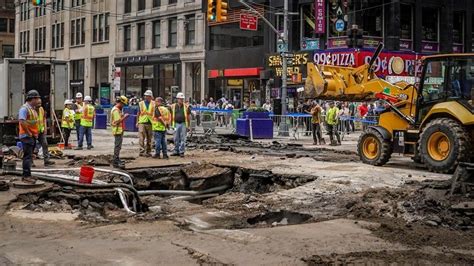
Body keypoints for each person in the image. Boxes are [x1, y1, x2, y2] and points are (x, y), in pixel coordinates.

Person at [19, 90, 41, 184]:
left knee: (29, 156)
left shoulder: (32, 108)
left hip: (31, 136)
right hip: (27, 136)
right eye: (37, 98)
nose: (38, 100)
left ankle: (28, 175)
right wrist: (28, 132)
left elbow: (33, 123)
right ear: (32, 99)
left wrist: (34, 134)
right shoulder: (24, 109)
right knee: (27, 157)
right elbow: (22, 121)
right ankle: (26, 176)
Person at [111, 96, 130, 169]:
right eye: (123, 104)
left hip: (119, 130)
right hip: (117, 130)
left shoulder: (118, 110)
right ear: (121, 103)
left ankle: (117, 159)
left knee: (118, 146)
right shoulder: (116, 110)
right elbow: (117, 121)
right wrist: (124, 117)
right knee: (117, 146)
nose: (123, 106)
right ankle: (115, 161)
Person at [171, 92, 191, 157]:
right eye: (180, 99)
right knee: (176, 138)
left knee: (183, 138)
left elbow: (188, 117)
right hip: (176, 124)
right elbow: (169, 114)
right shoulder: (173, 106)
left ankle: (181, 151)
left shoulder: (186, 107)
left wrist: (189, 126)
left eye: (182, 99)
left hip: (183, 124)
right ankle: (176, 151)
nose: (181, 100)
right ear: (177, 99)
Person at [36, 98, 55, 166]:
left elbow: (44, 118)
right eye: (38, 103)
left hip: (41, 131)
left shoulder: (41, 109)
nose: (39, 105)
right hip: (33, 131)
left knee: (45, 144)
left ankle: (46, 160)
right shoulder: (31, 110)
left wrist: (45, 128)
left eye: (40, 103)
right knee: (31, 147)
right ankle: (30, 162)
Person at [137, 90, 155, 157]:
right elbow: (138, 113)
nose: (146, 97)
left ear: (151, 97)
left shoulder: (154, 103)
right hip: (142, 122)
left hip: (150, 122)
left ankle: (148, 151)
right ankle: (141, 151)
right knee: (141, 137)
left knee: (149, 138)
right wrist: (137, 122)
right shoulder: (141, 103)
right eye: (146, 96)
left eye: (148, 96)